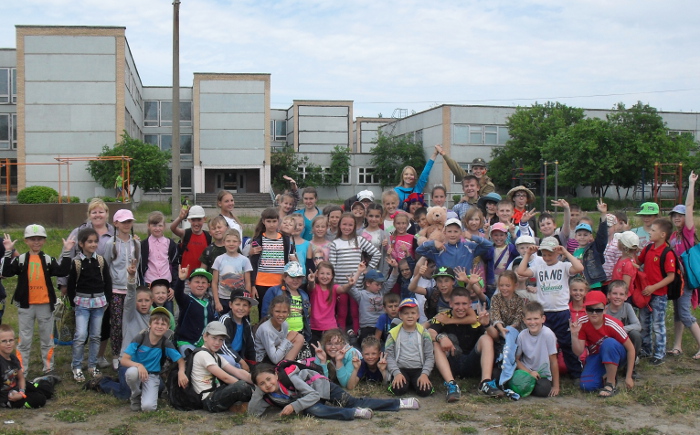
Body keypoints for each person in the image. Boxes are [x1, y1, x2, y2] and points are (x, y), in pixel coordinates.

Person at [2, 225, 74, 376]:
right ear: (26, 241)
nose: (36, 242)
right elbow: (6, 272)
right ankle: (22, 370)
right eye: (32, 239)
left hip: (45, 305)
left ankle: (48, 368)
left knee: (47, 339)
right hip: (26, 306)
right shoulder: (21, 259)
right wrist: (8, 252)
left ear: (44, 241)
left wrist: (67, 252)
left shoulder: (48, 259)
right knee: (24, 340)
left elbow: (62, 271)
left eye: (39, 239)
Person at [248, 361, 419, 420]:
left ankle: (400, 403)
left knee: (353, 401)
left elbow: (313, 394)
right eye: (262, 383)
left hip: (322, 387)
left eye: (269, 379)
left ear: (276, 375)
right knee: (314, 410)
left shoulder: (290, 378)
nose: (267, 385)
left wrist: (294, 406)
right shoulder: (267, 394)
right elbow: (253, 413)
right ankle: (354, 413)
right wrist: (258, 391)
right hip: (311, 400)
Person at [515, 236, 584, 379]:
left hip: (561, 311)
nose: (546, 258)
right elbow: (521, 271)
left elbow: (579, 267)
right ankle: (546, 372)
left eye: (550, 254)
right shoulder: (539, 267)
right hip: (545, 313)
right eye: (544, 254)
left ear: (557, 253)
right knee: (544, 343)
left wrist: (566, 252)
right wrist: (528, 254)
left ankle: (576, 373)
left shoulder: (564, 266)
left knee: (566, 343)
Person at [60, 198, 115, 369]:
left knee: (102, 326)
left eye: (101, 211)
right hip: (81, 289)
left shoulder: (114, 232)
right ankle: (79, 360)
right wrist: (63, 283)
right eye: (94, 212)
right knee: (81, 328)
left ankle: (98, 357)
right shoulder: (79, 232)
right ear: (89, 214)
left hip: (103, 287)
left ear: (107, 214)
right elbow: (66, 255)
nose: (98, 215)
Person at [429, 287, 505, 402]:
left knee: (486, 338)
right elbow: (429, 332)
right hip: (451, 362)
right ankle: (451, 385)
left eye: (464, 304)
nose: (461, 307)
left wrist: (487, 325)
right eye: (457, 304)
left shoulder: (477, 317)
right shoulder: (443, 316)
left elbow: (496, 337)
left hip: (472, 362)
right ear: (450, 303)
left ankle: (485, 383)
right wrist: (441, 337)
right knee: (436, 344)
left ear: (470, 303)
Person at [67, 228, 113, 382]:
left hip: (99, 303)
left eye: (95, 242)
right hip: (82, 303)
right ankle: (77, 366)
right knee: (80, 335)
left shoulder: (100, 261)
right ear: (81, 244)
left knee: (96, 335)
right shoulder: (76, 262)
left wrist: (107, 299)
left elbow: (107, 281)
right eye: (90, 242)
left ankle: (92, 365)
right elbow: (71, 285)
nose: (93, 244)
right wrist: (73, 303)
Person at [570, 291, 635, 396]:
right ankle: (607, 374)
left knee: (608, 343)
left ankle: (611, 384)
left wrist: (629, 377)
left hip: (617, 354)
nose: (594, 313)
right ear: (585, 310)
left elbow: (631, 348)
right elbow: (578, 352)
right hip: (597, 356)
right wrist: (574, 335)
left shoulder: (612, 324)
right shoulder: (582, 323)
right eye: (590, 309)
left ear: (605, 310)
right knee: (587, 386)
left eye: (598, 310)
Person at [120, 308, 185, 411]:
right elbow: (123, 360)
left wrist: (181, 372)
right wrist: (139, 365)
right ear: (150, 324)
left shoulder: (166, 343)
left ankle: (144, 394)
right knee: (131, 373)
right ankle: (136, 395)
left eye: (163, 324)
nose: (159, 326)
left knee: (148, 407)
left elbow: (180, 360)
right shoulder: (140, 338)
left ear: (168, 327)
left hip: (152, 375)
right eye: (156, 323)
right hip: (137, 371)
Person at [330, 213, 380, 335]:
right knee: (341, 312)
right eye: (344, 224)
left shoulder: (359, 240)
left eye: (350, 225)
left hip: (356, 285)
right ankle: (340, 335)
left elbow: (376, 253)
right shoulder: (335, 243)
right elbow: (332, 265)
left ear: (354, 226)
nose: (347, 227)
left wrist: (368, 270)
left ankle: (357, 333)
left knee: (355, 312)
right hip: (341, 285)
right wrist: (333, 284)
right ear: (339, 225)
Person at [667, 171, 700, 360]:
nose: (677, 218)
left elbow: (689, 206)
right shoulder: (673, 236)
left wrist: (691, 183)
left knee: (685, 314)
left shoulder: (688, 232)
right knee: (678, 314)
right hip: (676, 279)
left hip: (686, 278)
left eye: (680, 215)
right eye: (674, 215)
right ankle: (677, 346)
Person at [103, 209, 141, 370]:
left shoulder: (136, 244)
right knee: (117, 324)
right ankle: (116, 354)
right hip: (116, 290)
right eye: (123, 222)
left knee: (132, 323)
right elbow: (106, 266)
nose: (127, 225)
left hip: (132, 290)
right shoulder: (110, 244)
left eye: (129, 221)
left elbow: (138, 264)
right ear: (116, 223)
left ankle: (130, 353)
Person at [191, 322, 254, 413]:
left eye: (221, 340)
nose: (217, 343)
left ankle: (238, 405)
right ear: (205, 337)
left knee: (248, 384)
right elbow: (225, 378)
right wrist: (248, 388)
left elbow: (237, 371)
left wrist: (256, 380)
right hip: (209, 400)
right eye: (214, 338)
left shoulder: (216, 356)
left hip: (218, 392)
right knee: (241, 386)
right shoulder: (202, 355)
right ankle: (254, 400)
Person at [637, 218, 676, 366]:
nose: (650, 232)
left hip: (659, 295)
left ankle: (659, 353)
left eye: (653, 230)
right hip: (645, 293)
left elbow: (671, 276)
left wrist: (654, 287)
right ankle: (646, 349)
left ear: (663, 235)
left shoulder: (667, 252)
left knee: (658, 324)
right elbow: (638, 262)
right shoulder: (648, 248)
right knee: (644, 322)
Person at [0, 324, 61, 409]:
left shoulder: (13, 358)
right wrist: (13, 396)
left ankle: (38, 382)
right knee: (39, 399)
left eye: (11, 340)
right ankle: (36, 385)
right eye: (4, 341)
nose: (8, 343)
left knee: (47, 391)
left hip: (18, 388)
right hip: (8, 398)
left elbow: (21, 378)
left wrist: (21, 392)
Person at [384, 298, 434, 397]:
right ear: (400, 315)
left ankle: (416, 382)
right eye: (406, 313)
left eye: (413, 313)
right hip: (401, 368)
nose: (410, 316)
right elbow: (389, 356)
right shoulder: (393, 333)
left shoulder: (424, 333)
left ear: (418, 315)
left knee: (425, 391)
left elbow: (430, 356)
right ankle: (402, 382)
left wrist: (425, 374)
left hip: (419, 368)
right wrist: (396, 373)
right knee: (398, 390)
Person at [486, 271, 525, 388]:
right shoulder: (496, 298)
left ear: (515, 286)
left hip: (513, 332)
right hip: (499, 330)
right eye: (501, 285)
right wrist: (501, 328)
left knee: (513, 342)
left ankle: (510, 365)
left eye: (507, 285)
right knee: (490, 333)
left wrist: (509, 330)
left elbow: (518, 319)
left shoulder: (519, 300)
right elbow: (495, 315)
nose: (504, 288)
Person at [249, 208, 296, 304]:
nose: (271, 224)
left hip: (280, 282)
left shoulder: (285, 239)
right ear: (263, 221)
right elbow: (253, 263)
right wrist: (253, 285)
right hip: (261, 282)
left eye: (274, 221)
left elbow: (289, 259)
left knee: (280, 308)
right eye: (268, 221)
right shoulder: (258, 240)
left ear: (278, 221)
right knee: (263, 309)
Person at [261, 262, 312, 346]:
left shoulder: (304, 294)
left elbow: (307, 315)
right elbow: (265, 314)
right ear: (284, 277)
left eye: (299, 277)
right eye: (292, 277)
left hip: (300, 333)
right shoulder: (274, 291)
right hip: (280, 334)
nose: (296, 280)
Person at [515, 301, 560, 397]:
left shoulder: (548, 334)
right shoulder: (522, 335)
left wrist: (556, 386)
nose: (532, 322)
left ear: (543, 319)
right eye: (529, 319)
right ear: (524, 320)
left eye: (536, 319)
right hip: (526, 371)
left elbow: (553, 361)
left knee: (543, 390)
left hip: (542, 374)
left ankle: (527, 388)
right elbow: (516, 360)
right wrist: (529, 372)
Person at [416, 217, 493, 271]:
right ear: (444, 233)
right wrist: (433, 242)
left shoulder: (469, 247)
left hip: (464, 287)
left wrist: (472, 237)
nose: (452, 235)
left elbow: (488, 245)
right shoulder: (439, 249)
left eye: (456, 231)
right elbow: (419, 250)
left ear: (461, 233)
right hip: (443, 286)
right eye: (449, 231)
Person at [350, 262, 399, 345]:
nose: (380, 287)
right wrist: (359, 272)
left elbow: (391, 281)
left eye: (381, 284)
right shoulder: (361, 295)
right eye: (377, 284)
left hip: (383, 325)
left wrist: (395, 268)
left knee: (390, 342)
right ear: (368, 283)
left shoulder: (382, 292)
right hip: (368, 327)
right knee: (367, 345)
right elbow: (351, 287)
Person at [139, 211, 177, 314]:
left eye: (160, 225)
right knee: (149, 314)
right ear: (148, 226)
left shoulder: (170, 243)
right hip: (150, 283)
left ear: (164, 226)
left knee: (168, 314)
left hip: (166, 285)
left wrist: (173, 287)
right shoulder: (144, 244)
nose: (157, 228)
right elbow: (141, 266)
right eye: (154, 225)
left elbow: (175, 265)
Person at [307, 261, 354, 344]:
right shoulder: (315, 287)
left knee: (331, 349)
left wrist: (349, 285)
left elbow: (343, 289)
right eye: (322, 273)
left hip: (330, 328)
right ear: (317, 274)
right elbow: (311, 287)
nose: (325, 276)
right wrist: (311, 281)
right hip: (314, 328)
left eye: (328, 274)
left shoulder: (334, 288)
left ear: (332, 276)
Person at [174, 266, 216, 356]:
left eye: (203, 282)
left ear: (208, 285)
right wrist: (181, 280)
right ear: (189, 284)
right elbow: (178, 294)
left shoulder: (208, 302)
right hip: (186, 343)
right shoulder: (186, 300)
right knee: (194, 358)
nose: (200, 285)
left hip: (204, 344)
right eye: (197, 282)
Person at [211, 229, 253, 315]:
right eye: (228, 241)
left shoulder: (244, 260)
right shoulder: (219, 259)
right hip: (223, 299)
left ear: (239, 243)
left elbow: (248, 283)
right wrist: (217, 302)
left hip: (240, 299)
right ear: (223, 242)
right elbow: (214, 283)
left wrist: (247, 301)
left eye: (234, 241)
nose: (231, 244)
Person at [605, 280, 642, 374]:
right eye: (614, 293)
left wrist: (619, 330)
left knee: (636, 335)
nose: (618, 297)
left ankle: (630, 368)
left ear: (626, 297)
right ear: (608, 295)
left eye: (621, 294)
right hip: (610, 341)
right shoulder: (605, 310)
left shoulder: (627, 307)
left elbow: (638, 325)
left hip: (625, 340)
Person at [255, 295, 305, 364]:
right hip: (264, 361)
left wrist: (288, 341)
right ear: (272, 311)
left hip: (278, 354)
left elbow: (283, 346)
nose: (281, 315)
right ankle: (284, 366)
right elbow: (275, 359)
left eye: (284, 312)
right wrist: (288, 339)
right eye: (277, 311)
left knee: (299, 337)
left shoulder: (285, 324)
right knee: (291, 338)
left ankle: (285, 366)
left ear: (288, 312)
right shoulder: (266, 330)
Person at [572, 199, 609, 290]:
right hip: (580, 287)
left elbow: (602, 236)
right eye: (580, 235)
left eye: (585, 235)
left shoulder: (595, 248)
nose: (582, 237)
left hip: (593, 285)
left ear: (590, 236)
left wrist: (603, 214)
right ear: (575, 236)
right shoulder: (575, 252)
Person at [219, 289, 257, 368]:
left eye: (245, 305)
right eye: (237, 304)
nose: (241, 308)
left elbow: (251, 345)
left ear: (249, 307)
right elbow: (223, 345)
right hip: (223, 356)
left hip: (238, 357)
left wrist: (254, 363)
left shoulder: (246, 323)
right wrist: (241, 361)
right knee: (231, 361)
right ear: (230, 305)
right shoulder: (225, 320)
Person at [170, 205, 212, 276]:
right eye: (193, 220)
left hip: (200, 276)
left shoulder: (208, 236)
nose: (196, 223)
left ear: (204, 219)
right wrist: (180, 218)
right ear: (189, 220)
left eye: (199, 220)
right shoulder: (185, 233)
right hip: (185, 276)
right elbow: (172, 228)